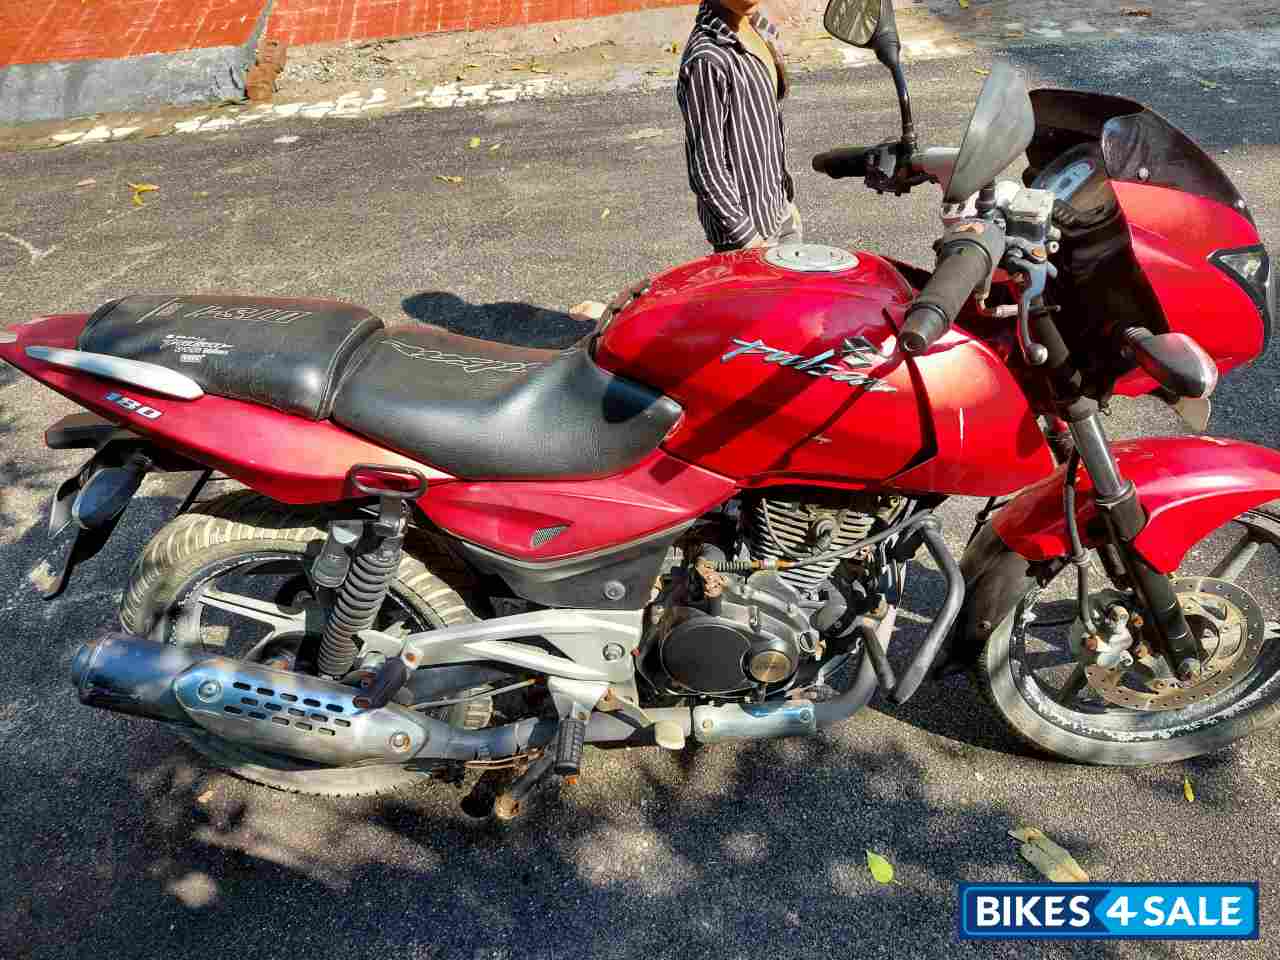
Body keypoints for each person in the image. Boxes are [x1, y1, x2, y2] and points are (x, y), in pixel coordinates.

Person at [677, 0, 801, 252]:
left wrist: (786, 203)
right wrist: (751, 243)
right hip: (747, 238)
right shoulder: (708, 60)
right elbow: (706, 168)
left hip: (779, 212)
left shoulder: (757, 28)